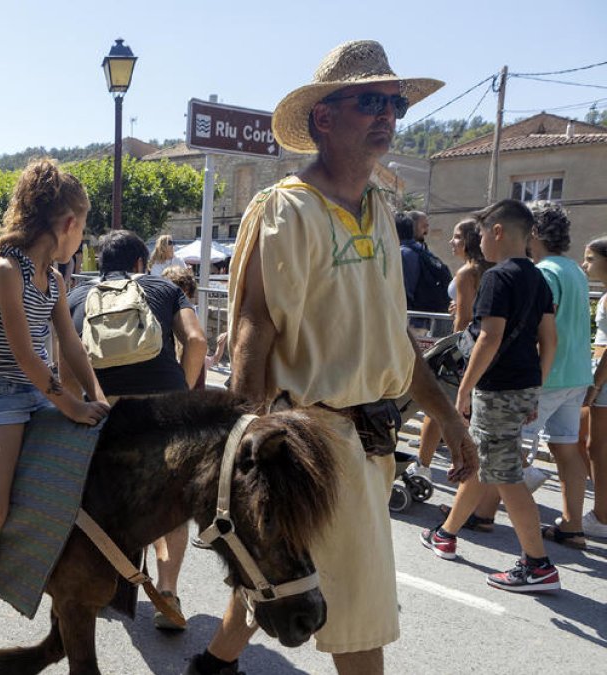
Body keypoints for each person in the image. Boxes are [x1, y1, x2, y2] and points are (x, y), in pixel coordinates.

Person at [207, 40, 475, 675]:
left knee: (294, 570)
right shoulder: (286, 208)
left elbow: (395, 337)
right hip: (314, 443)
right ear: (324, 117)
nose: (387, 115)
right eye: (370, 102)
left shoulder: (380, 209)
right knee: (357, 613)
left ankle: (213, 664)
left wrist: (450, 418)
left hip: (373, 440)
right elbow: (254, 327)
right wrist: (241, 445)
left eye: (395, 104)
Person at [0, 159, 110, 675]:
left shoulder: (54, 280)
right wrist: (72, 405)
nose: (81, 240)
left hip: (39, 391)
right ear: (68, 224)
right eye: (82, 229)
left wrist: (98, 397)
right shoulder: (4, 270)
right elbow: (24, 356)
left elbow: (72, 344)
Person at [65, 229, 208, 630]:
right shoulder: (164, 289)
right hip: (162, 409)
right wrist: (180, 391)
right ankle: (168, 591)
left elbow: (66, 369)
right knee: (171, 501)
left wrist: (79, 412)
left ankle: (103, 581)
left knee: (105, 500)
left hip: (104, 411)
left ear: (101, 263)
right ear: (141, 263)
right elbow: (197, 341)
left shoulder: (78, 296)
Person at [421, 200, 560, 592]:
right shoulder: (538, 279)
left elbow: (489, 337)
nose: (479, 240)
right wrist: (534, 390)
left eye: (481, 232)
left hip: (496, 388)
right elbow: (550, 340)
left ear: (497, 232)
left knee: (505, 475)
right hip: (522, 386)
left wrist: (464, 390)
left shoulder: (498, 277)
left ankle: (538, 565)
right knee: (485, 463)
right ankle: (446, 533)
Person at [524, 202, 592, 548]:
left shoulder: (544, 272)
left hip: (548, 374)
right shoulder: (575, 270)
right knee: (567, 450)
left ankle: (482, 511)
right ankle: (572, 524)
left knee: (510, 445)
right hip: (577, 372)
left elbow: (542, 329)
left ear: (534, 232)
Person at [417, 219, 491, 483]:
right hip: (483, 350)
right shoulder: (489, 269)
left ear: (470, 240)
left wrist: (452, 349)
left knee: (438, 411)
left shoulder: (467, 272)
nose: (452, 241)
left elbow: (464, 321)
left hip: (463, 351)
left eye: (457, 236)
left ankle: (422, 468)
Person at [580, 236, 607, 539]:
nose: (585, 265)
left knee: (597, 447)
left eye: (590, 258)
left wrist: (596, 383)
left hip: (603, 376)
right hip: (599, 373)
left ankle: (602, 516)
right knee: (584, 439)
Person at [398, 210, 453, 317]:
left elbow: (405, 293)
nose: (426, 231)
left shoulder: (405, 253)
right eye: (424, 227)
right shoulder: (421, 251)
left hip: (416, 319)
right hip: (430, 317)